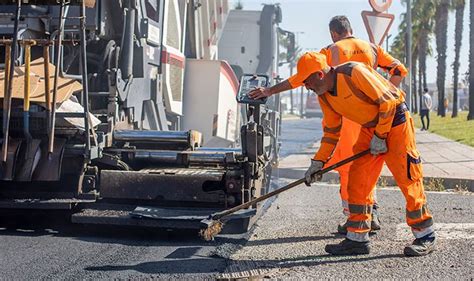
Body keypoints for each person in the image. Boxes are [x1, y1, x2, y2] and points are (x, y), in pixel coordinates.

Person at [249, 15, 408, 235]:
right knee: (367, 166)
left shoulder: (329, 51)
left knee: (348, 169)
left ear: (334, 33)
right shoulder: (372, 48)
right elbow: (400, 70)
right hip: (373, 116)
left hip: (345, 116)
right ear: (350, 29)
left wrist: (269, 90)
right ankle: (373, 213)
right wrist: (385, 92)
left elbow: (301, 78)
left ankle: (356, 218)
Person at [294, 52, 435, 256]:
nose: (306, 86)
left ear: (320, 75)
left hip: (395, 121)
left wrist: (381, 135)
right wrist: (318, 163)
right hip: (371, 128)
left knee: (408, 178)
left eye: (306, 81)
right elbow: (332, 133)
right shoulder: (325, 96)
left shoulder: (354, 72)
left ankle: (426, 235)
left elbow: (387, 102)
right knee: (357, 179)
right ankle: (357, 239)